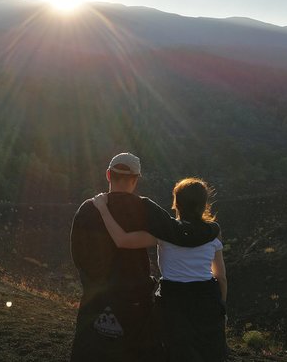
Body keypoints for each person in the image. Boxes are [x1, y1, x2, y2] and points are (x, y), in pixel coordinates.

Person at [70, 153, 220, 362]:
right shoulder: (143, 207)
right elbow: (180, 233)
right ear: (135, 179)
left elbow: (78, 255)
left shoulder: (87, 208)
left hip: (94, 300)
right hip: (133, 303)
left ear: (108, 175)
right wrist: (212, 230)